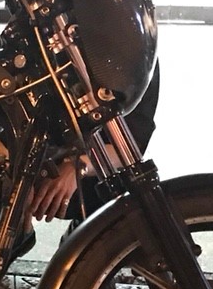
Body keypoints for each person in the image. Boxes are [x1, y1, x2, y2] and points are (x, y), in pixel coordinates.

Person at [26, 62, 160, 226]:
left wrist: (78, 167)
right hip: (30, 177)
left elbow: (132, 145)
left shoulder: (134, 58)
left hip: (95, 200)